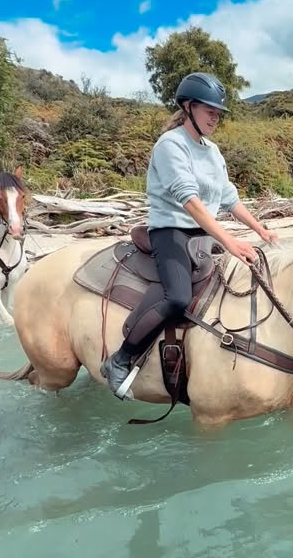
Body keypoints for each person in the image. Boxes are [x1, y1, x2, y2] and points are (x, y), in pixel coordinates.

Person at [100, 72, 279, 398]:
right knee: (178, 297)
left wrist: (260, 229)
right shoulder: (170, 145)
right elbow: (190, 201)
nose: (215, 117)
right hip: (171, 230)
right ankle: (120, 359)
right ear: (188, 107)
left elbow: (229, 198)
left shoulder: (212, 150)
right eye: (209, 110)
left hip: (203, 233)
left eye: (218, 112)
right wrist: (230, 241)